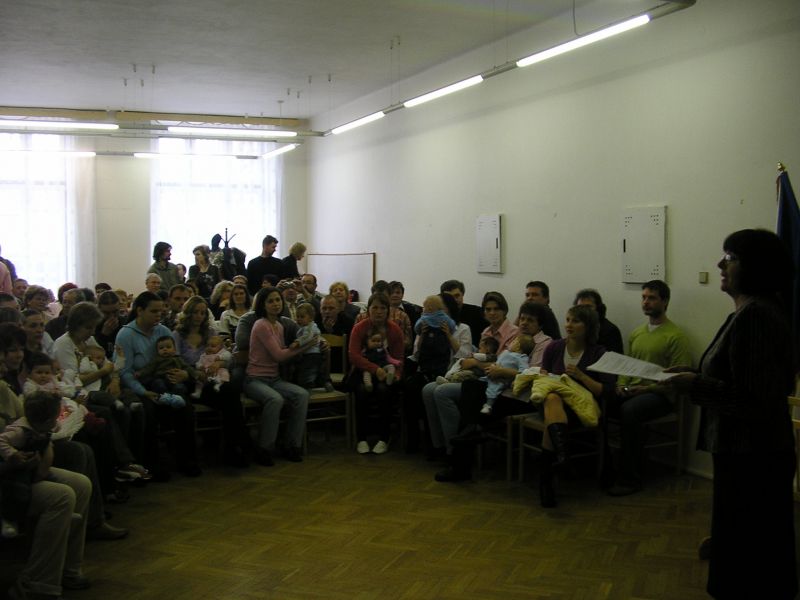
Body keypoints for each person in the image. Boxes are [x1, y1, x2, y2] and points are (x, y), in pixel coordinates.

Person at [664, 229, 797, 599]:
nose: (720, 265)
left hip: (753, 454)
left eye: (730, 257)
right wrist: (693, 374)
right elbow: (737, 377)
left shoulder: (757, 316)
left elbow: (753, 400)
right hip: (747, 451)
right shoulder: (751, 311)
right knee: (746, 550)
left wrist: (694, 384)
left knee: (749, 562)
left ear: (755, 267)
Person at [606, 280, 692, 496]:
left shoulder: (675, 336)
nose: (646, 302)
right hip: (633, 390)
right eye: (644, 297)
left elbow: (678, 379)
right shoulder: (637, 333)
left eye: (652, 298)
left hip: (660, 396)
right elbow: (628, 365)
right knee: (602, 399)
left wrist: (646, 390)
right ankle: (604, 468)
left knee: (630, 411)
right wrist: (621, 384)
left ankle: (630, 479)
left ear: (665, 301)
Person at [116, 291, 201, 478]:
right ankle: (152, 464)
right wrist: (143, 391)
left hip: (166, 382)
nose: (158, 315)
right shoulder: (126, 334)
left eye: (160, 312)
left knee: (184, 406)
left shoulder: (163, 331)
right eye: (153, 311)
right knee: (148, 411)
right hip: (141, 385)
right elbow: (124, 371)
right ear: (140, 311)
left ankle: (187, 459)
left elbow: (176, 359)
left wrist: (183, 374)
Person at [538, 305, 614, 507]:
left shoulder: (598, 353)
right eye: (568, 320)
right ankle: (563, 457)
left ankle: (546, 480)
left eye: (576, 321)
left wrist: (581, 376)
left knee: (550, 420)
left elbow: (605, 390)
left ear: (588, 326)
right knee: (552, 398)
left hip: (579, 409)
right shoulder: (554, 347)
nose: (569, 325)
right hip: (550, 403)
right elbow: (543, 377)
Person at [172, 295, 250, 466]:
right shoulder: (178, 335)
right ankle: (242, 446)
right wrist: (195, 373)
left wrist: (220, 362)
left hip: (212, 378)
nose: (199, 316)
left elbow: (228, 358)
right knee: (230, 397)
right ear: (188, 313)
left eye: (202, 313)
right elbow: (176, 361)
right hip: (191, 381)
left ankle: (233, 447)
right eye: (195, 312)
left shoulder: (210, 333)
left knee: (231, 393)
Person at [245, 287, 316, 466]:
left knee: (302, 395)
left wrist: (313, 344)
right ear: (263, 305)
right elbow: (279, 355)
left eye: (278, 300)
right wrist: (307, 346)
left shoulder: (279, 326)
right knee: (275, 399)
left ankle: (292, 445)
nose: (276, 304)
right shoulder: (261, 324)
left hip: (274, 379)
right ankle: (264, 448)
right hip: (255, 379)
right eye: (270, 301)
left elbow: (285, 352)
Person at [0, 391, 61, 539]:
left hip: (34, 463)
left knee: (56, 480)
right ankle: (10, 519)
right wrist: (12, 453)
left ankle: (60, 515)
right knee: (19, 492)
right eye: (55, 419)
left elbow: (55, 429)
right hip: (17, 468)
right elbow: (1, 440)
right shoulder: (20, 431)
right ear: (47, 421)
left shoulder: (41, 426)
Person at [349, 292, 404, 455]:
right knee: (361, 390)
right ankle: (362, 438)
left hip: (387, 371)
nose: (379, 312)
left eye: (383, 308)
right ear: (368, 310)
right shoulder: (360, 327)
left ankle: (384, 438)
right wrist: (375, 369)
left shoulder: (394, 330)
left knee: (383, 390)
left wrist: (396, 374)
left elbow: (399, 358)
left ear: (388, 310)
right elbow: (354, 356)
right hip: (362, 370)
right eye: (375, 308)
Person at [480, 335, 536, 415]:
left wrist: (503, 371)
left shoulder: (522, 357)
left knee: (493, 388)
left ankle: (488, 405)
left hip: (503, 379)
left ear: (518, 346)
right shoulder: (506, 352)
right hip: (491, 374)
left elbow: (524, 371)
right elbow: (498, 361)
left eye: (513, 342)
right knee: (479, 381)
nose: (510, 343)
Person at [573, 288, 623, 354]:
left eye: (588, 307)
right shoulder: (573, 326)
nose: (583, 310)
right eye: (580, 307)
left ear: (598, 308)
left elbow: (614, 358)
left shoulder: (610, 330)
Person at [440, 279, 487, 347]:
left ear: (463, 295)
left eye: (457, 296)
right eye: (449, 297)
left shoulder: (477, 313)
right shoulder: (438, 315)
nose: (454, 300)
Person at [293, 303, 328, 390]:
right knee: (316, 371)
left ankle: (308, 385)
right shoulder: (306, 327)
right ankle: (324, 383)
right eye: (297, 316)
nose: (299, 319)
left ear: (311, 318)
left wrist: (297, 342)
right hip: (313, 354)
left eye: (302, 317)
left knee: (308, 371)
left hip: (311, 354)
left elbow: (307, 337)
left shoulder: (309, 327)